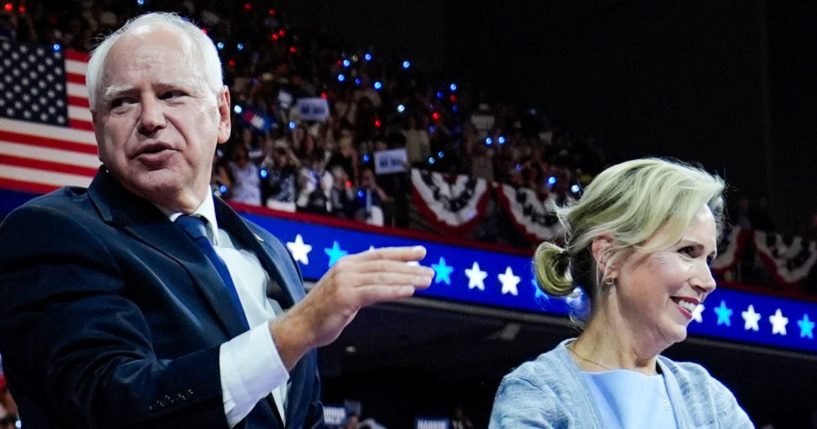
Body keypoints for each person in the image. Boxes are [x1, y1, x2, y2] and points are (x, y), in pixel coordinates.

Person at [0, 12, 434, 428]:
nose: (150, 119)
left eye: (172, 94)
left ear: (222, 114)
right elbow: (107, 404)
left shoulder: (270, 252)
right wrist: (296, 329)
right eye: (123, 102)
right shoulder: (51, 232)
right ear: (98, 130)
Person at [490, 158, 753, 428]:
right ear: (609, 256)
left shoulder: (710, 402)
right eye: (687, 252)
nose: (708, 282)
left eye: (708, 259)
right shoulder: (538, 394)